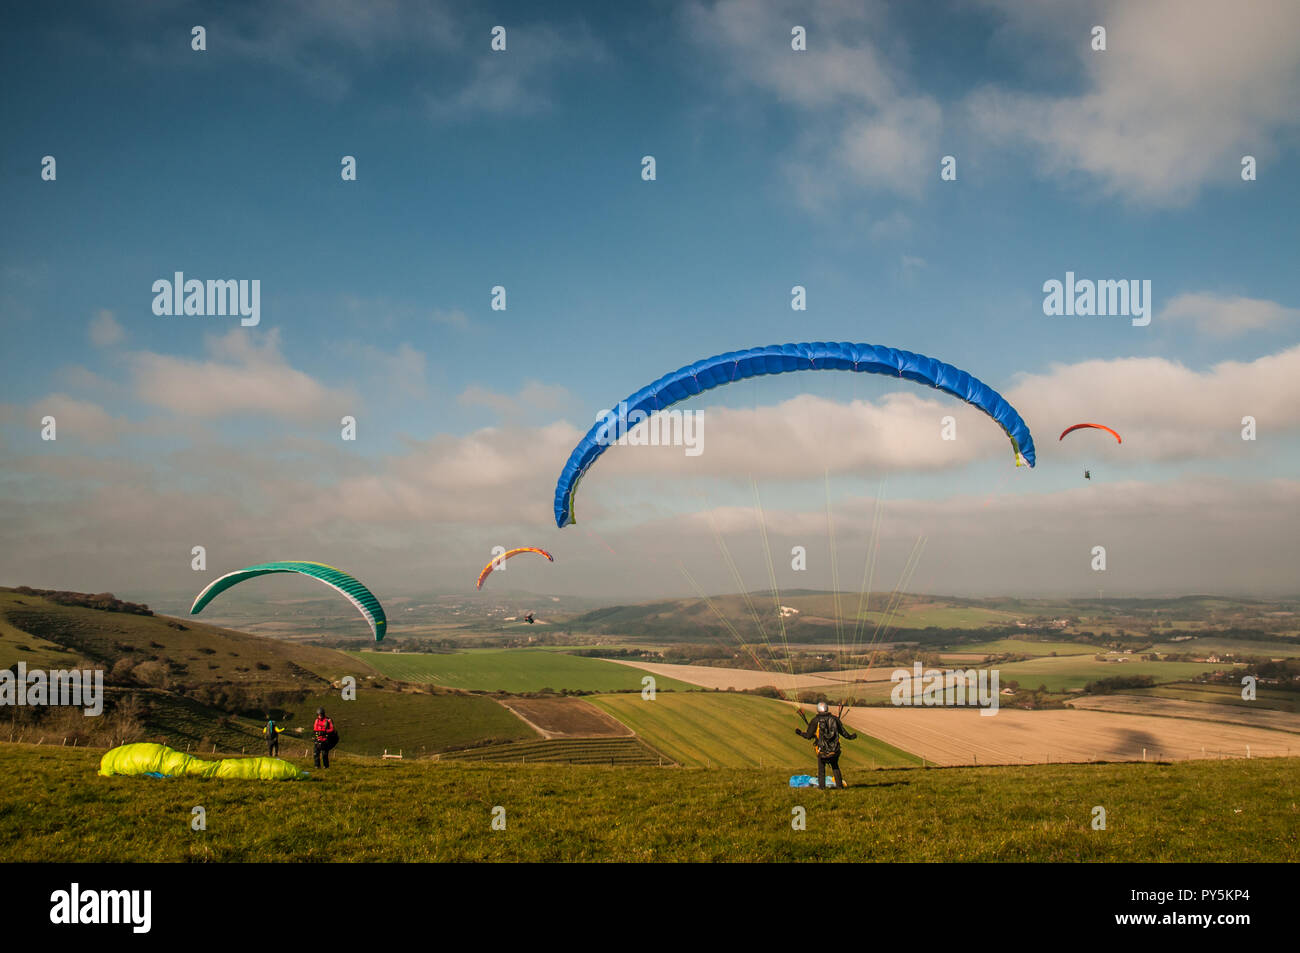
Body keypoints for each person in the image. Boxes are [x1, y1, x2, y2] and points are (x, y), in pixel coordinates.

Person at [795, 701, 856, 789]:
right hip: (834, 750)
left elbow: (808, 736)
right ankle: (840, 787)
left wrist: (800, 733)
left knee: (821, 769)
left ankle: (822, 788)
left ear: (818, 710)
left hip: (822, 750)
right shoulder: (835, 719)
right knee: (835, 767)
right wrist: (851, 736)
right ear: (827, 708)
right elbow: (843, 732)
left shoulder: (815, 720)